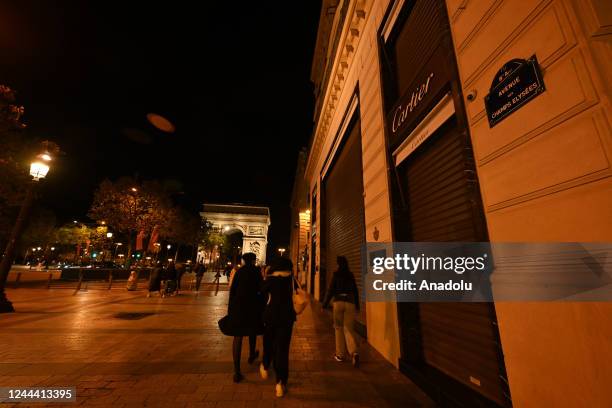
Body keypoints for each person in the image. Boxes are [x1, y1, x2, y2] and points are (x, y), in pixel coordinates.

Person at [260, 257, 296, 398]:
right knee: (283, 349)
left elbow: (261, 290)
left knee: (268, 343)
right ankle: (280, 383)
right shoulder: (291, 280)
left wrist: (266, 274)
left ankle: (265, 363)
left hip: (271, 316)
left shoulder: (271, 280)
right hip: (287, 318)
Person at [227, 252, 264, 383]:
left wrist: (230, 310)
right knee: (252, 330)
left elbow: (233, 292)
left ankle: (236, 371)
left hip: (238, 308)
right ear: (254, 260)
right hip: (252, 307)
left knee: (238, 336)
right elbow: (262, 289)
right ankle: (251, 354)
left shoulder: (239, 272)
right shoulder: (256, 272)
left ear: (243, 261)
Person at [322, 256, 360, 367]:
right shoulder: (350, 275)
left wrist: (324, 304)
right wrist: (357, 305)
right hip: (350, 303)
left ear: (339, 264)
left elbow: (331, 290)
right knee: (348, 329)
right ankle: (354, 352)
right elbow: (355, 290)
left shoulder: (336, 275)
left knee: (338, 329)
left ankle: (340, 355)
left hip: (338, 303)